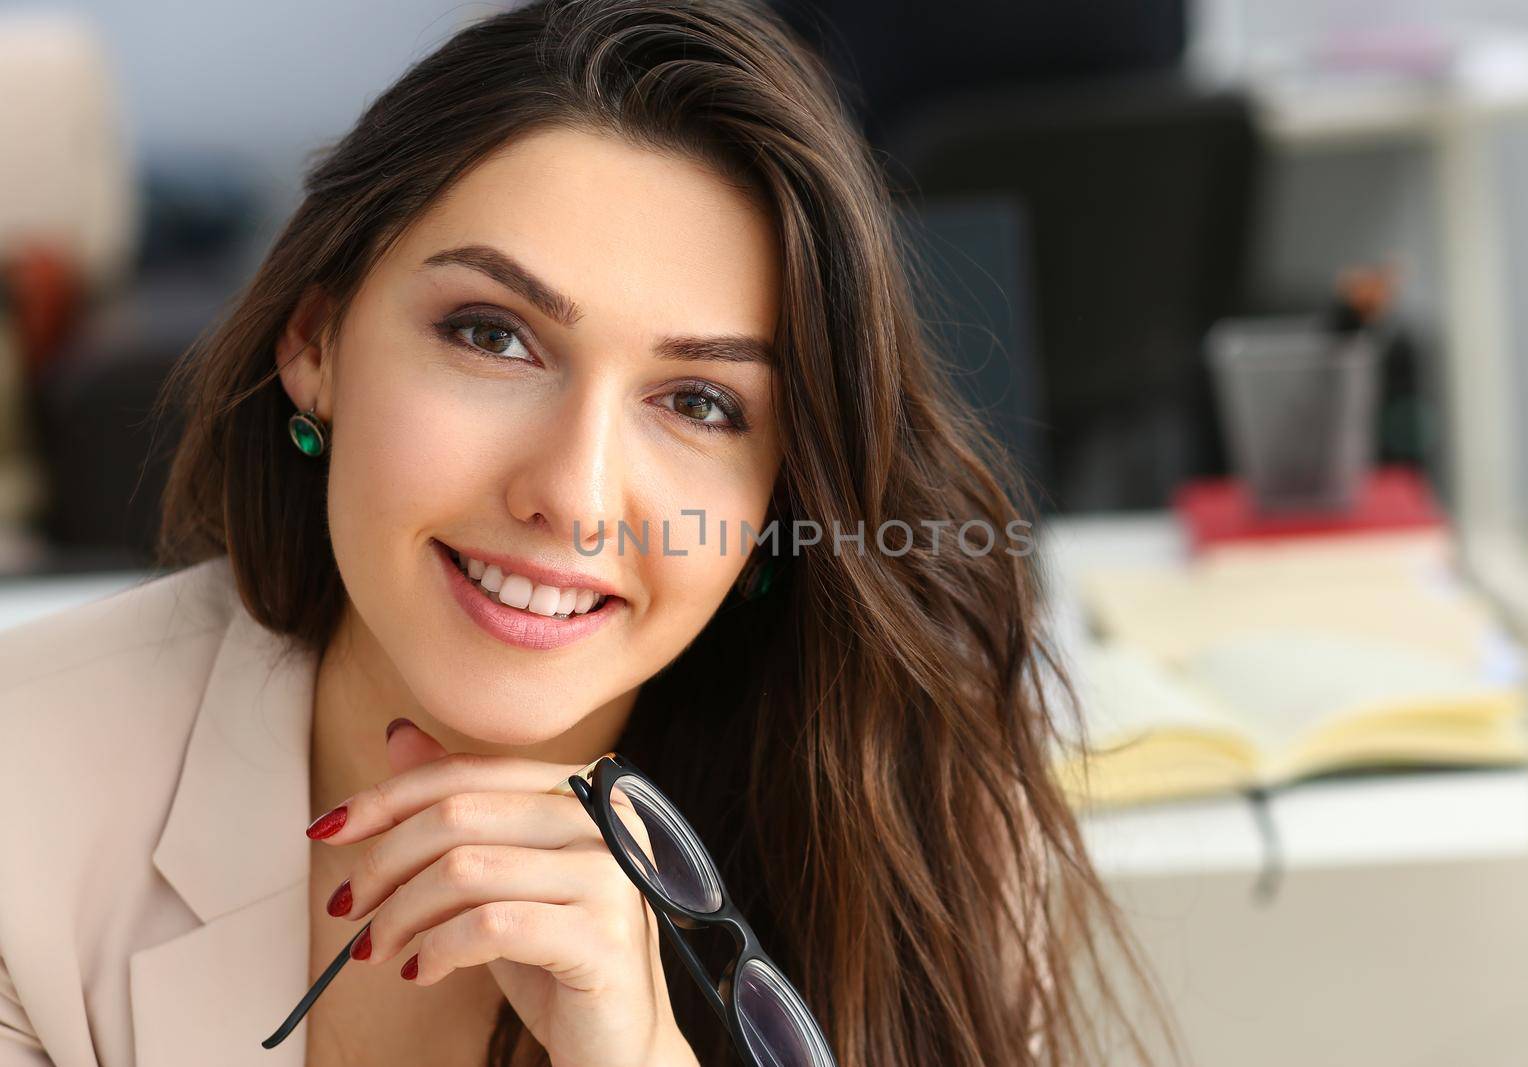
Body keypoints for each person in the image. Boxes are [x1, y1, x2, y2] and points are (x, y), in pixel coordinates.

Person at [0, 2, 1176, 1065]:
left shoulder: (926, 830)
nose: (573, 492)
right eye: (491, 336)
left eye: (700, 403)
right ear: (317, 344)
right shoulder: (24, 796)